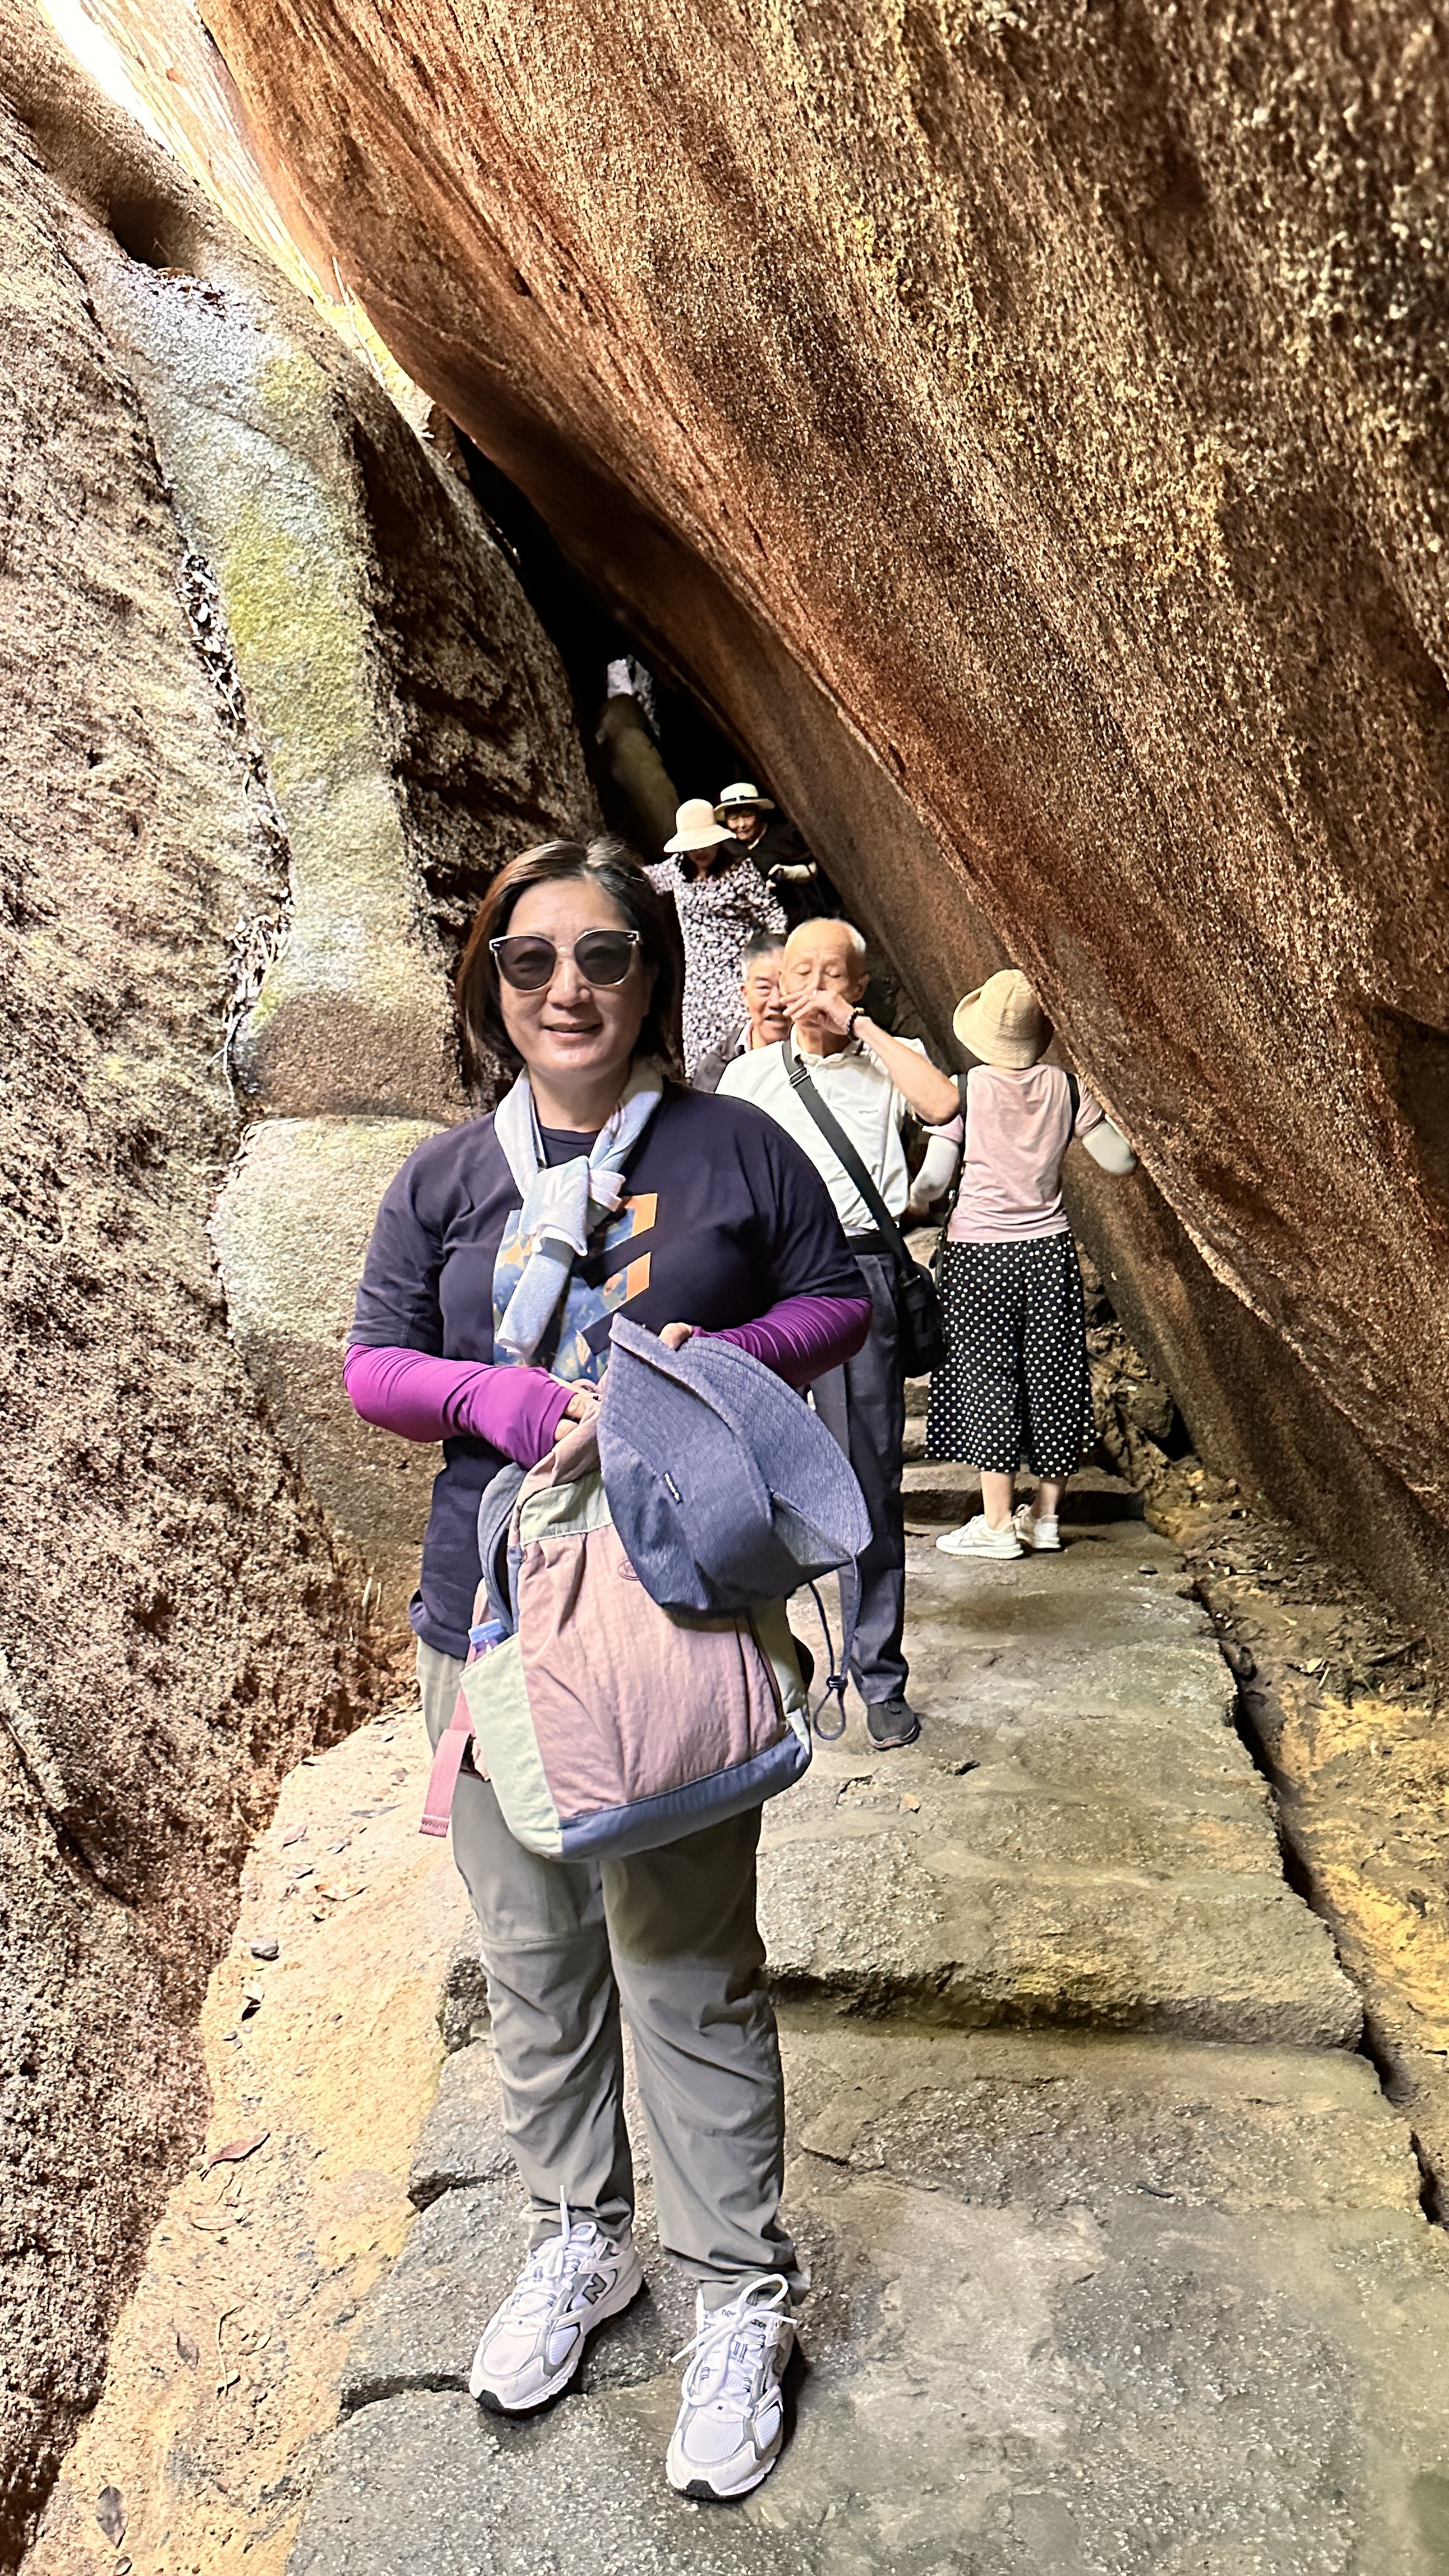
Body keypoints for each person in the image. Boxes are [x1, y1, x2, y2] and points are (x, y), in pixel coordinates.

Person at [344, 837, 870, 2501]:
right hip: (488, 1621)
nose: (566, 987)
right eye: (530, 959)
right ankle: (580, 2238)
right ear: (490, 984)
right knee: (534, 1957)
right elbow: (373, 1365)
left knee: (685, 1964)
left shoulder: (735, 1149)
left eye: (603, 955)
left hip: (673, 1612)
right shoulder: (445, 1177)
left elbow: (837, 1302)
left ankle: (735, 2296)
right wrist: (491, 1400)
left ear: (652, 974)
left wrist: (719, 1361)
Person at [719, 918, 958, 1749]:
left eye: (834, 973)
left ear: (858, 985)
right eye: (801, 972)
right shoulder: (749, 1078)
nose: (815, 986)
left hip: (860, 1278)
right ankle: (772, 1665)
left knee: (867, 1485)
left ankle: (878, 1678)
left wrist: (858, 1027)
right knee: (753, 1481)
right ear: (780, 983)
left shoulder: (889, 1060)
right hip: (767, 1286)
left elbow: (945, 1104)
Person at [926, 969, 1136, 1559]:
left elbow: (934, 1180)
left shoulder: (964, 1090)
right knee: (1055, 1378)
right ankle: (1045, 1518)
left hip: (978, 1255)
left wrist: (912, 1202)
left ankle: (996, 1524)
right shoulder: (1069, 1089)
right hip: (1047, 1252)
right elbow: (1120, 1161)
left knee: (988, 1379)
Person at [646, 797, 785, 1075]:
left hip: (737, 973)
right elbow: (648, 880)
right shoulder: (677, 868)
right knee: (702, 1059)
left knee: (745, 1046)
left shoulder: (740, 870)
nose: (699, 852)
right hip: (699, 983)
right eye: (693, 847)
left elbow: (773, 916)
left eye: (705, 844)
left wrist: (774, 962)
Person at [716, 779, 837, 926]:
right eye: (734, 819)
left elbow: (812, 869)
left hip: (802, 919)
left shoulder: (784, 835)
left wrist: (785, 873)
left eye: (747, 816)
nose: (741, 825)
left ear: (758, 814)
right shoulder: (728, 848)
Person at [691, 930, 788, 1092]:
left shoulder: (823, 1060)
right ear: (745, 995)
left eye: (787, 987)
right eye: (764, 988)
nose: (777, 1001)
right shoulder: (718, 1068)